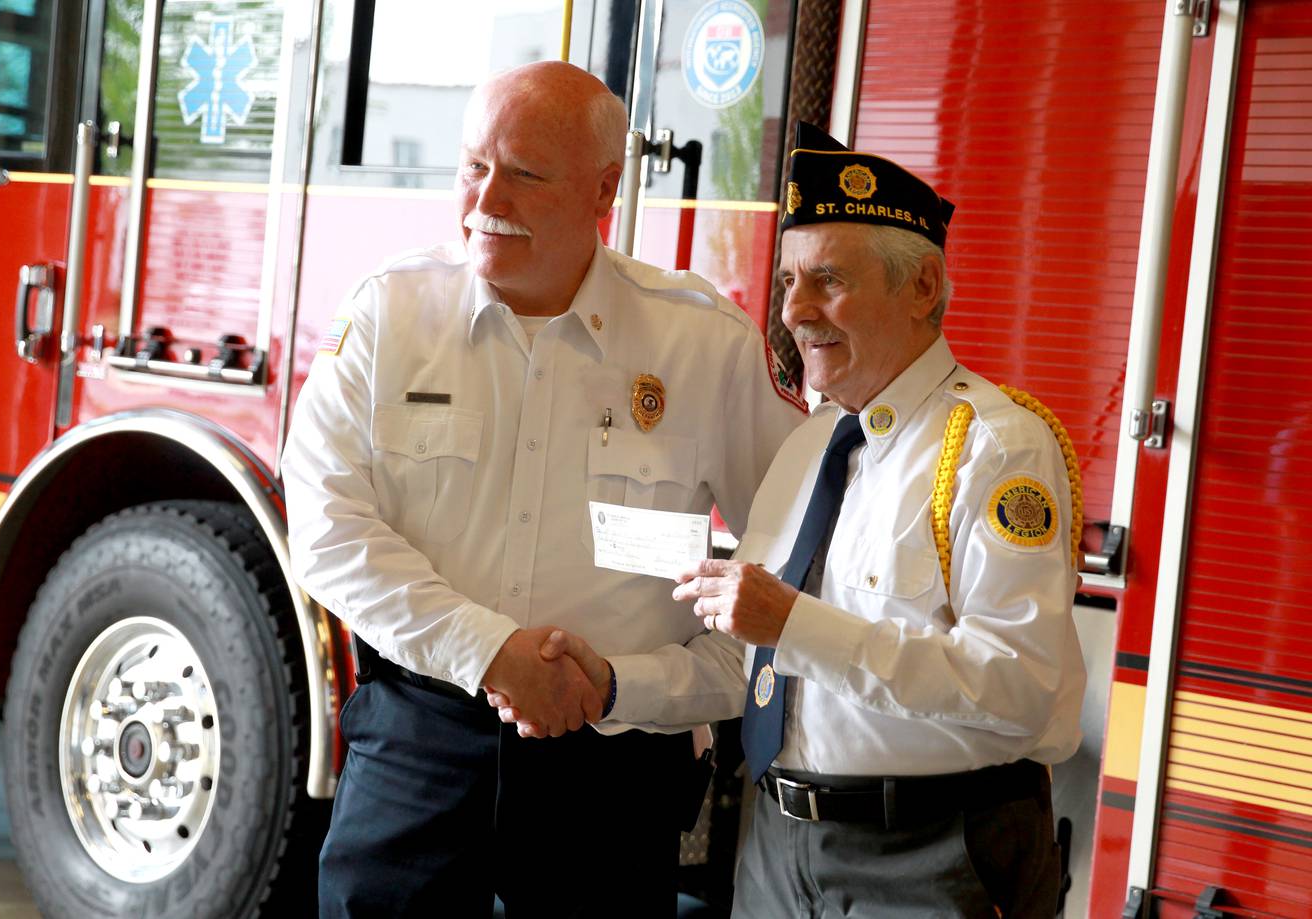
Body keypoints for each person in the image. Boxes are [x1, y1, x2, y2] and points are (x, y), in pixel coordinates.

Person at [281, 61, 805, 918]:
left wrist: (632, 686)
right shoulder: (389, 315)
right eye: (473, 166)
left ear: (606, 188)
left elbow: (788, 569)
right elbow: (329, 529)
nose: (489, 197)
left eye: (524, 173)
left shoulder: (699, 343)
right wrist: (490, 650)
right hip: (421, 741)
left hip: (613, 769)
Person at [536, 122, 1087, 917]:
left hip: (930, 854)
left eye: (827, 279)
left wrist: (796, 624)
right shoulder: (809, 449)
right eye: (788, 280)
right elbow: (745, 665)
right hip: (778, 847)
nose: (795, 311)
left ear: (923, 288)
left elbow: (1019, 687)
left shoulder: (996, 448)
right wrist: (615, 684)